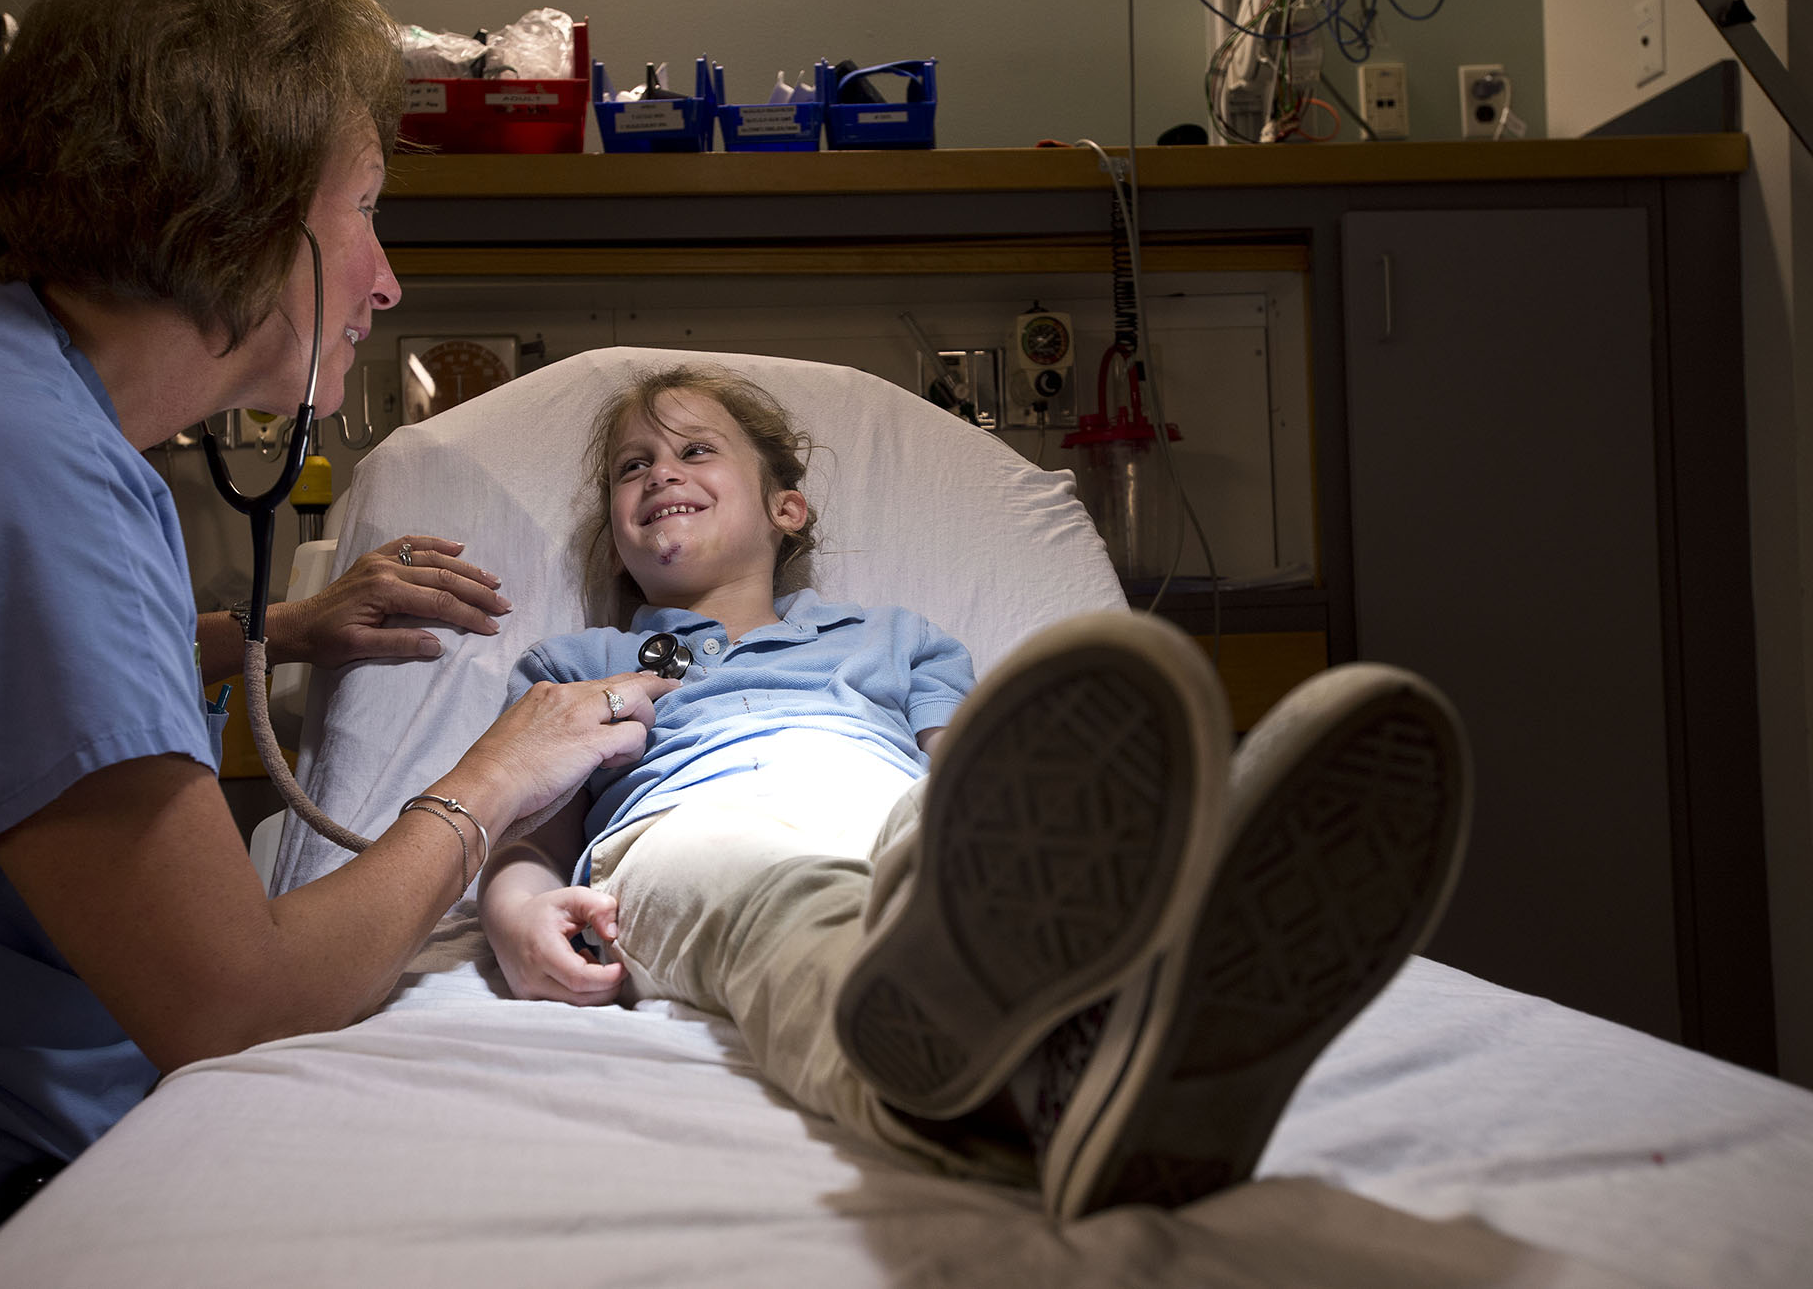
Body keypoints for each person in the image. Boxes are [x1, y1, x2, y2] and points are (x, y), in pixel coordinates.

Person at [0, 0, 669, 1284]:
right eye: (365, 212)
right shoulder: (22, 479)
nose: (385, 283)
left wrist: (274, 629)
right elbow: (233, 998)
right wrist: (493, 779)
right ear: (236, 221)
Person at [480, 363, 1475, 1220]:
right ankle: (999, 1093)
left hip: (886, 805)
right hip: (687, 825)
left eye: (695, 451)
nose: (660, 473)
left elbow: (980, 780)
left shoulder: (896, 639)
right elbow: (528, 834)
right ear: (616, 539)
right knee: (784, 906)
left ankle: (1155, 948)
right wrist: (516, 916)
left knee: (942, 845)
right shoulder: (575, 666)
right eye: (631, 467)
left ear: (787, 507)